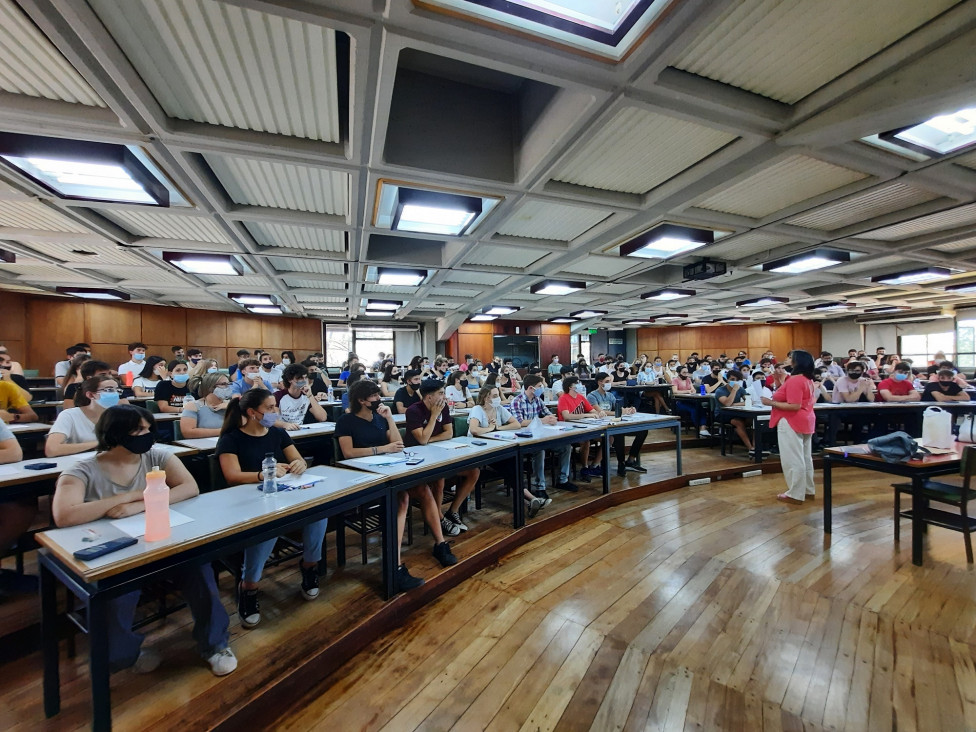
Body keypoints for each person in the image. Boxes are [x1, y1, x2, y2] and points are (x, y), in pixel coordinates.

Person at [53, 405, 236, 675]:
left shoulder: (157, 456)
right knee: (116, 595)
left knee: (201, 570)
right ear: (114, 433)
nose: (147, 435)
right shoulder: (83, 470)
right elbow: (64, 515)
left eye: (149, 429)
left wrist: (141, 505)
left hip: (164, 537)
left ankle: (215, 643)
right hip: (117, 549)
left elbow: (189, 487)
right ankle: (125, 654)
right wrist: (125, 498)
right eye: (139, 430)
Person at [336, 380, 454, 592]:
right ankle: (395, 565)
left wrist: (389, 419)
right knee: (402, 499)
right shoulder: (346, 421)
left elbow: (398, 444)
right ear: (361, 400)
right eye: (373, 396)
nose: (378, 399)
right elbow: (348, 453)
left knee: (424, 490)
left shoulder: (379, 418)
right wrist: (382, 449)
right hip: (361, 475)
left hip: (387, 468)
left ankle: (440, 544)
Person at [216, 389, 321, 628]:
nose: (275, 412)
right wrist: (263, 474)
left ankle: (310, 566)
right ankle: (249, 586)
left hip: (280, 494)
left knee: (318, 513)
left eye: (275, 407)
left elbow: (300, 460)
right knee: (267, 526)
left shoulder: (277, 433)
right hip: (245, 501)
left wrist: (298, 464)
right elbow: (231, 476)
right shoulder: (231, 439)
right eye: (270, 408)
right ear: (253, 413)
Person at [404, 379, 480, 535]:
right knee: (439, 479)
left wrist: (428, 439)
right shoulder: (413, 411)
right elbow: (421, 440)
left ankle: (452, 511)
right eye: (441, 393)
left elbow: (448, 433)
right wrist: (433, 416)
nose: (444, 397)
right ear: (429, 397)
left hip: (438, 452)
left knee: (474, 471)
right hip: (416, 459)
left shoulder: (443, 407)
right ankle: (439, 518)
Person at [467, 386, 546, 516]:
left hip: (496, 447)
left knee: (512, 464)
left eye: (498, 395)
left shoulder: (498, 409)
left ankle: (530, 500)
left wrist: (498, 427)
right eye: (494, 396)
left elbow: (516, 424)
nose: (498, 398)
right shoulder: (477, 409)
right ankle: (530, 499)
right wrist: (491, 428)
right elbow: (474, 430)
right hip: (479, 451)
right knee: (510, 467)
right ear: (486, 398)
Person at [762, 351, 816, 504]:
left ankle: (795, 493)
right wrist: (781, 381)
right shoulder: (806, 379)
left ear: (797, 362)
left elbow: (794, 406)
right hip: (806, 418)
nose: (786, 359)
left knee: (792, 458)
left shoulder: (795, 380)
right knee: (805, 457)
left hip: (791, 420)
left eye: (790, 357)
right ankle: (807, 490)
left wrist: (770, 402)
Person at [510, 373, 575, 497]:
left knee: (566, 446)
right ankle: (539, 487)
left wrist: (551, 418)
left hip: (541, 435)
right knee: (539, 451)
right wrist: (541, 420)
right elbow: (519, 423)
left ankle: (563, 480)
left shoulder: (537, 400)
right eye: (540, 386)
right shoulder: (517, 401)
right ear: (530, 388)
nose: (542, 388)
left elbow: (548, 413)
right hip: (524, 439)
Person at [587, 372, 648, 476]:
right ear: (599, 382)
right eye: (607, 382)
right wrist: (619, 412)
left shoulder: (610, 395)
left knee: (643, 431)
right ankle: (621, 463)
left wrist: (628, 410)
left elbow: (618, 408)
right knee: (618, 434)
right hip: (600, 425)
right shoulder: (592, 396)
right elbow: (600, 411)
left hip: (613, 422)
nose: (609, 384)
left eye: (609, 381)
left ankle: (631, 460)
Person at [46, 375, 122, 456]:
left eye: (117, 390)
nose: (115, 394)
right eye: (109, 390)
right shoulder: (69, 415)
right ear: (90, 395)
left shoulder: (119, 415)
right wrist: (100, 443)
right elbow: (52, 449)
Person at [557, 374, 606, 479]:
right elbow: (567, 416)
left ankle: (595, 465)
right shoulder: (563, 398)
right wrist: (586, 415)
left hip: (584, 427)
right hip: (568, 429)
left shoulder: (581, 397)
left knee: (609, 438)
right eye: (577, 383)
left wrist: (599, 413)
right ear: (570, 387)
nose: (581, 385)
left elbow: (592, 410)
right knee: (585, 440)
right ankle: (585, 467)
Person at [180, 372, 232, 439]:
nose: (228, 387)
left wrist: (233, 407)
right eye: (223, 384)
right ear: (210, 387)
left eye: (229, 384)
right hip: (203, 446)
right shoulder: (193, 406)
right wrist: (222, 431)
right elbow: (188, 432)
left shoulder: (230, 405)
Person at [714, 369, 754, 454]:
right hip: (722, 414)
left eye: (737, 380)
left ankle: (756, 446)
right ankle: (750, 448)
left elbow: (749, 401)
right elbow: (727, 404)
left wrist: (735, 404)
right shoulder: (720, 390)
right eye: (732, 379)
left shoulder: (741, 389)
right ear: (727, 380)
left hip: (736, 412)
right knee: (737, 422)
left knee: (753, 421)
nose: (735, 382)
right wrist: (734, 390)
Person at [672, 365, 710, 438]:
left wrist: (693, 390)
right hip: (680, 402)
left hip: (690, 400)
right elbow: (675, 391)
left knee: (701, 409)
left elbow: (693, 389)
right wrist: (687, 391)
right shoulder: (675, 380)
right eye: (684, 372)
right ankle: (698, 427)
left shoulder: (688, 379)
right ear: (679, 373)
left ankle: (703, 428)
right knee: (694, 410)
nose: (686, 374)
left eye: (687, 372)